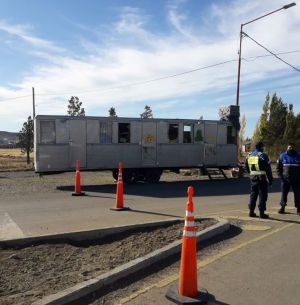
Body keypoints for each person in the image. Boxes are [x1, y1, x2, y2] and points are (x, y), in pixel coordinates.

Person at [245, 141, 273, 218]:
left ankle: (251, 212)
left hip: (253, 178)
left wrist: (251, 174)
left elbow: (246, 167)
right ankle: (261, 213)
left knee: (253, 194)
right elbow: (268, 169)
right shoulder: (263, 156)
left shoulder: (249, 155)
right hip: (261, 178)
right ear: (261, 147)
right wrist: (270, 180)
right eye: (263, 147)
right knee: (262, 195)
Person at [277, 143, 300, 215]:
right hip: (285, 179)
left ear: (294, 148)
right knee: (284, 194)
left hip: (296, 180)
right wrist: (281, 177)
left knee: (298, 194)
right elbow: (278, 168)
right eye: (289, 147)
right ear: (287, 148)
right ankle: (282, 207)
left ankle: (299, 209)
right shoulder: (282, 156)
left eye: (292, 147)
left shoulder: (298, 155)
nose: (291, 148)